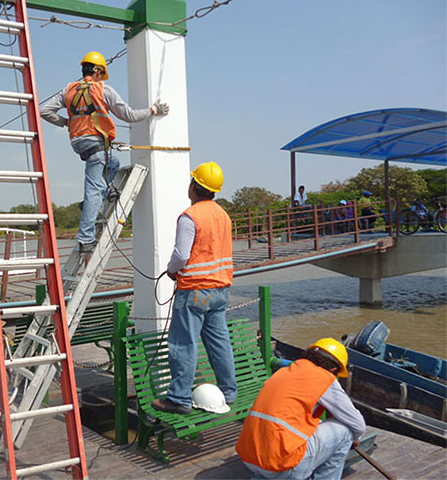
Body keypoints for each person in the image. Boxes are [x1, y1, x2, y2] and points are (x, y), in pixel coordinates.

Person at [40, 51, 169, 252]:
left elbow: (44, 111)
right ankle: (85, 238)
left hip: (78, 142)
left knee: (113, 164)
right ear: (98, 71)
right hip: (95, 145)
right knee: (94, 188)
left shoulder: (69, 89)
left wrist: (68, 122)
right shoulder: (103, 90)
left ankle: (92, 202)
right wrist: (153, 110)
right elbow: (129, 115)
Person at [151, 162, 237, 414]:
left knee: (183, 344)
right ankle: (228, 392)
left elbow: (181, 255)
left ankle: (179, 398)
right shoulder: (223, 215)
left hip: (194, 291)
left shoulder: (190, 217)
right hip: (220, 290)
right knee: (219, 342)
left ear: (194, 186)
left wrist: (171, 270)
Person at [236, 338, 366, 479]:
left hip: (249, 458)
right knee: (346, 432)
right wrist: (355, 439)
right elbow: (357, 423)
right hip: (284, 465)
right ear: (333, 370)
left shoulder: (283, 372)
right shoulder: (324, 378)